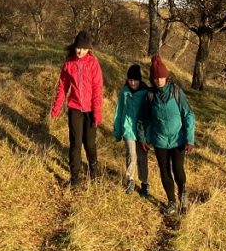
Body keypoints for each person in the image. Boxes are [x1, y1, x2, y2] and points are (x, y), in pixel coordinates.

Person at [138, 54, 195, 216]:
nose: (159, 81)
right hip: (160, 140)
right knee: (164, 171)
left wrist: (190, 139)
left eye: (161, 77)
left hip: (178, 139)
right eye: (155, 78)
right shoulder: (149, 95)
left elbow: (188, 114)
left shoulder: (176, 92)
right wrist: (143, 138)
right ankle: (171, 202)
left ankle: (183, 196)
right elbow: (143, 119)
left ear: (167, 77)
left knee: (178, 170)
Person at [50, 30, 104, 186]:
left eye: (84, 49)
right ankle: (75, 179)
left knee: (90, 144)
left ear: (89, 49)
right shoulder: (69, 63)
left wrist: (97, 112)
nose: (81, 51)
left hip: (90, 110)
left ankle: (93, 168)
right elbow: (62, 87)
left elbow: (97, 89)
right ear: (75, 46)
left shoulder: (93, 64)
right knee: (75, 144)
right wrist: (56, 108)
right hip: (74, 108)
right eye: (78, 47)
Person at [113, 63, 150, 196]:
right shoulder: (124, 92)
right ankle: (130, 180)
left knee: (142, 157)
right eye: (130, 80)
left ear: (140, 79)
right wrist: (118, 131)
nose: (132, 82)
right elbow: (119, 112)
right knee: (131, 155)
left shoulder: (146, 92)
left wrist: (150, 133)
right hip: (128, 129)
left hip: (142, 132)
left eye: (135, 79)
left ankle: (145, 182)